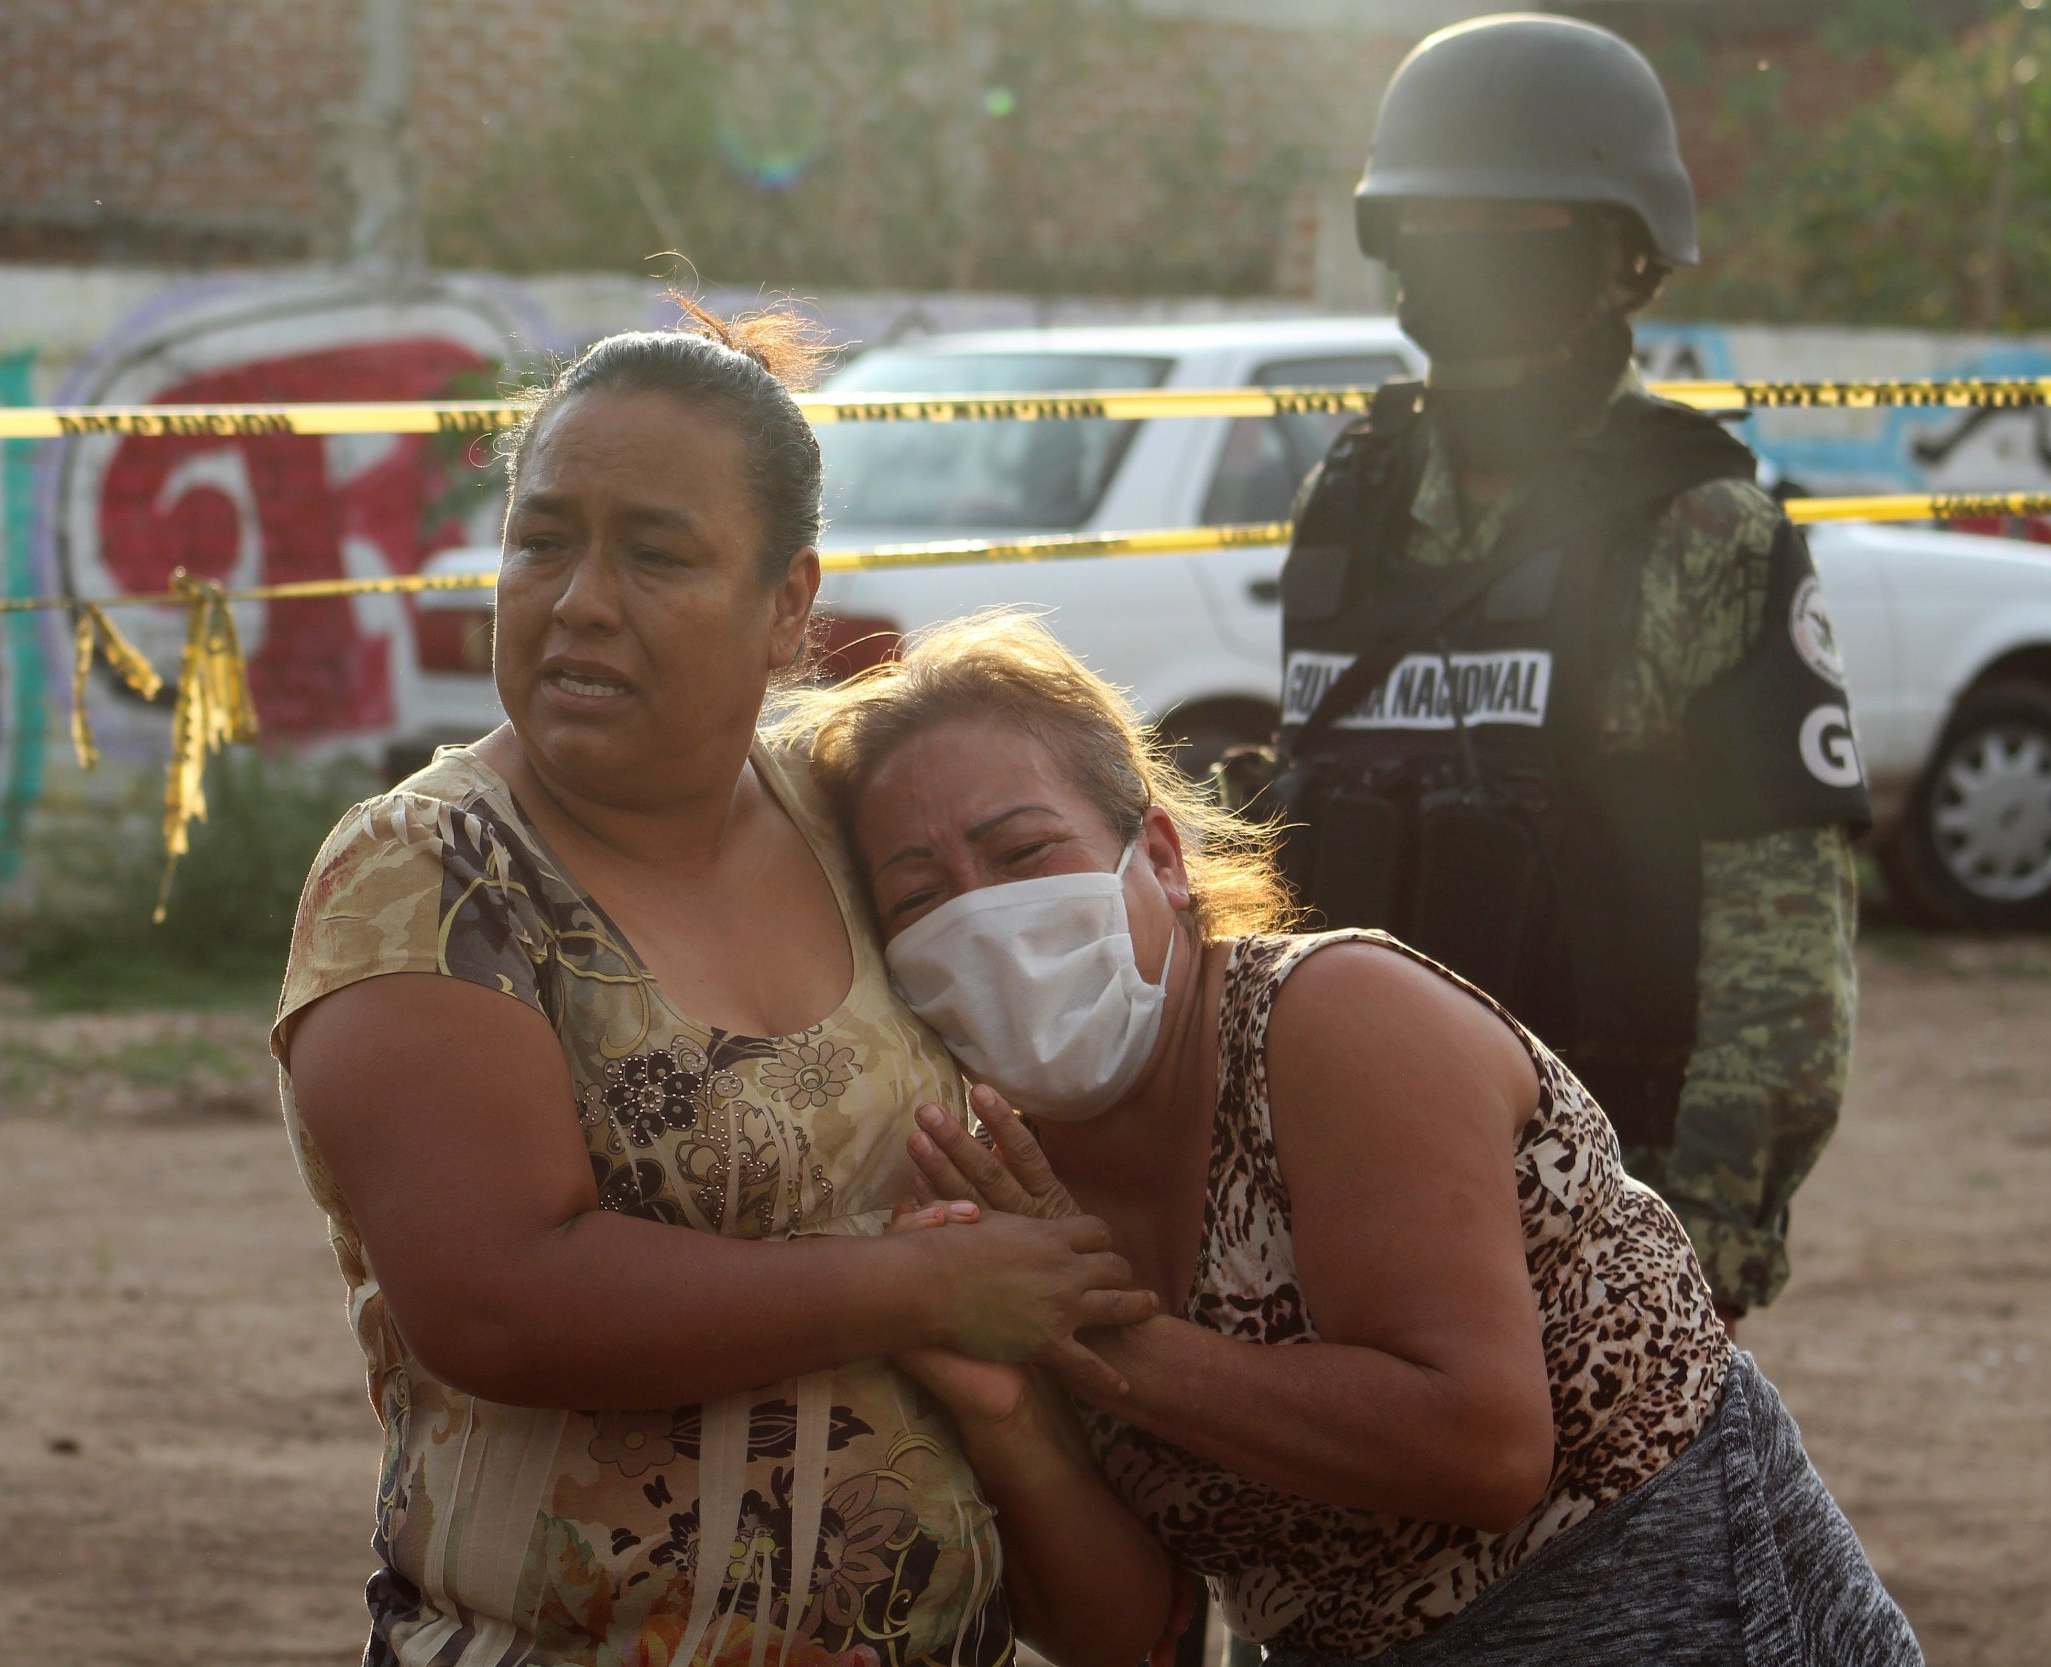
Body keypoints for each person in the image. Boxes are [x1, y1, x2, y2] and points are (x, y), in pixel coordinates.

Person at [270, 304, 1171, 1667]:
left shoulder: (853, 816)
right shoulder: (431, 872)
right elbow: (500, 1298)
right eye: (542, 538)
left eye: (655, 553)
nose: (579, 598)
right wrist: (922, 1288)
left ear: (788, 604)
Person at [781, 611, 1922, 1667]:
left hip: (1688, 1611)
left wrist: (1099, 1346)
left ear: (1164, 860)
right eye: (920, 891)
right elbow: (1135, 1631)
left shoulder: (1330, 1019)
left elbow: (1480, 1446)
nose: (983, 913)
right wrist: (1008, 1410)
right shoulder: (1004, 1187)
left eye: (1023, 852)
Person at [1257, 12, 1871, 1332]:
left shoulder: (1699, 532)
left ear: (1622, 260)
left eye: (1515, 230)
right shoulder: (1346, 504)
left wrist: (1685, 1259)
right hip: (1337, 1207)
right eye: (1435, 226)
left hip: (1594, 1224)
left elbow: (1780, 965)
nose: (1464, 263)